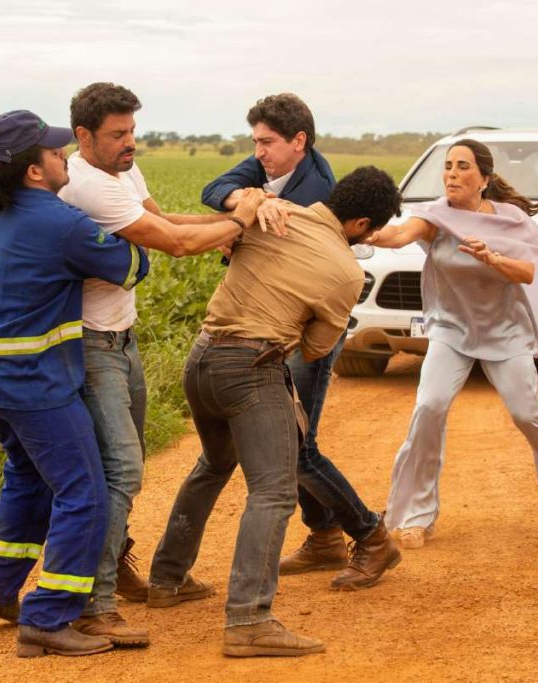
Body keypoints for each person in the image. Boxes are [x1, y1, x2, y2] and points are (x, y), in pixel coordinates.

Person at [148, 167, 404, 657]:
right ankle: (249, 619)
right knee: (274, 492)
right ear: (363, 224)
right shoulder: (348, 271)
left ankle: (168, 580)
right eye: (369, 233)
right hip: (249, 367)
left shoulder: (274, 213)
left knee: (213, 465)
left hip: (200, 359)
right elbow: (313, 349)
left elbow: (224, 228)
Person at [57, 82, 270, 647]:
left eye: (132, 131)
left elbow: (166, 219)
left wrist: (225, 227)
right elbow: (172, 243)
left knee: (127, 463)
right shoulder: (87, 185)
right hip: (90, 342)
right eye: (117, 135)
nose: (130, 143)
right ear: (84, 137)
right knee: (121, 470)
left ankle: (111, 568)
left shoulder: (124, 174)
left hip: (121, 338)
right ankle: (93, 605)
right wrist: (242, 220)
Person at [367, 138, 538, 549]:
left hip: (505, 332)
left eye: (463, 166)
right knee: (429, 407)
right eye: (448, 166)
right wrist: (360, 230)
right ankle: (416, 514)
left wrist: (494, 259)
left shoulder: (512, 221)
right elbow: (398, 237)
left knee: (527, 413)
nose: (452, 173)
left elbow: (530, 271)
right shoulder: (434, 217)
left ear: (483, 179)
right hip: (451, 331)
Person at [0, 110, 150, 657]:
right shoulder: (59, 221)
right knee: (84, 491)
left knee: (28, 480)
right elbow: (134, 265)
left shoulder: (2, 212)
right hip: (35, 385)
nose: (64, 155)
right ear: (33, 172)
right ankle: (47, 617)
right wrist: (130, 233)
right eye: (54, 152)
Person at [201, 93, 392, 588]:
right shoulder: (273, 166)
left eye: (266, 142)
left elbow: (313, 328)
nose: (258, 152)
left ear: (298, 142)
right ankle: (327, 535)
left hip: (293, 331)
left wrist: (244, 225)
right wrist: (250, 201)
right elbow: (215, 187)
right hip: (271, 332)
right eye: (257, 142)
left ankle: (371, 536)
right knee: (296, 444)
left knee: (297, 449)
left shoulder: (316, 194)